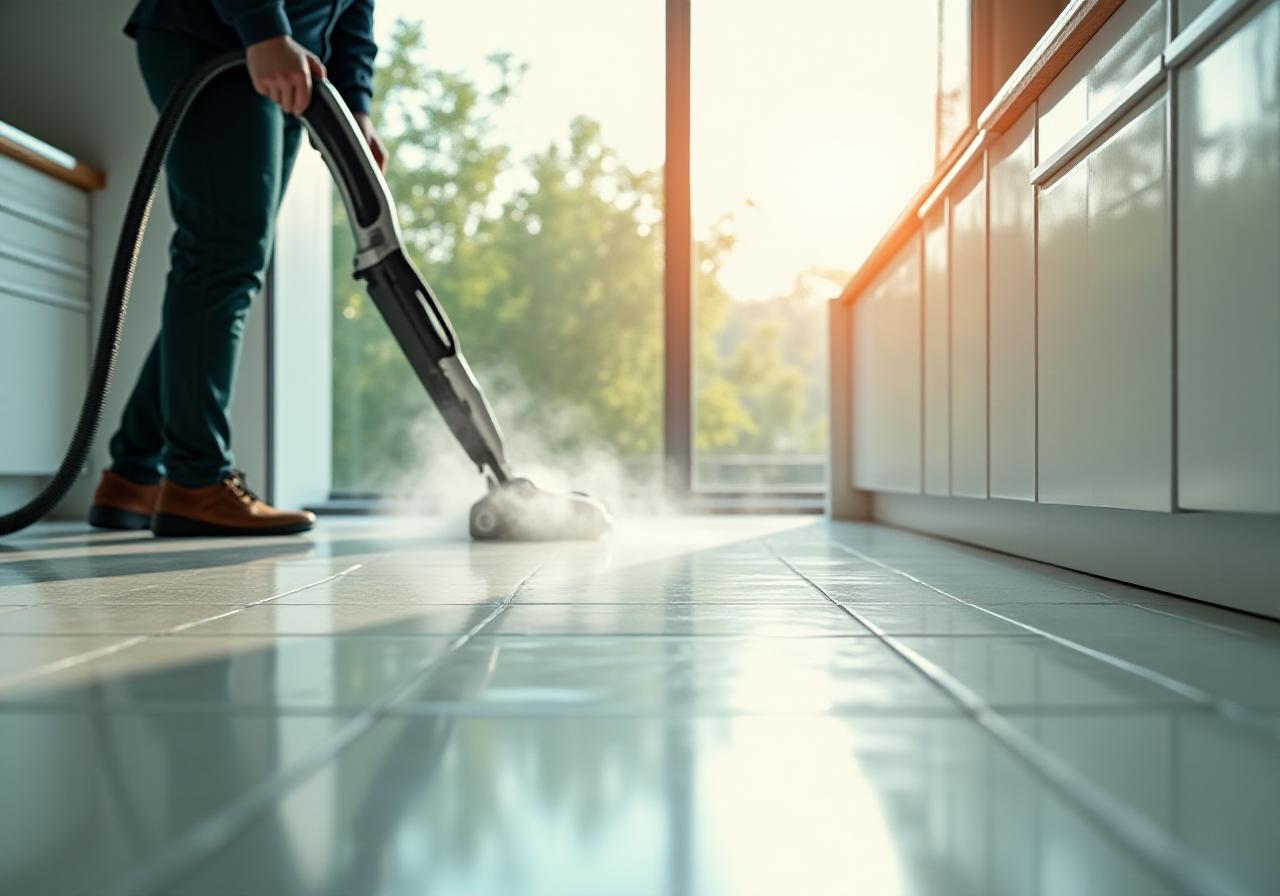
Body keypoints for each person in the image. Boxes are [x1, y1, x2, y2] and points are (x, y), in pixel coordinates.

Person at [88, 0, 385, 536]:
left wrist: (355, 104)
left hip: (295, 66)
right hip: (223, 36)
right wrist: (262, 26)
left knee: (227, 261)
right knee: (222, 257)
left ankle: (133, 476)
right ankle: (196, 483)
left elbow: (357, 9)